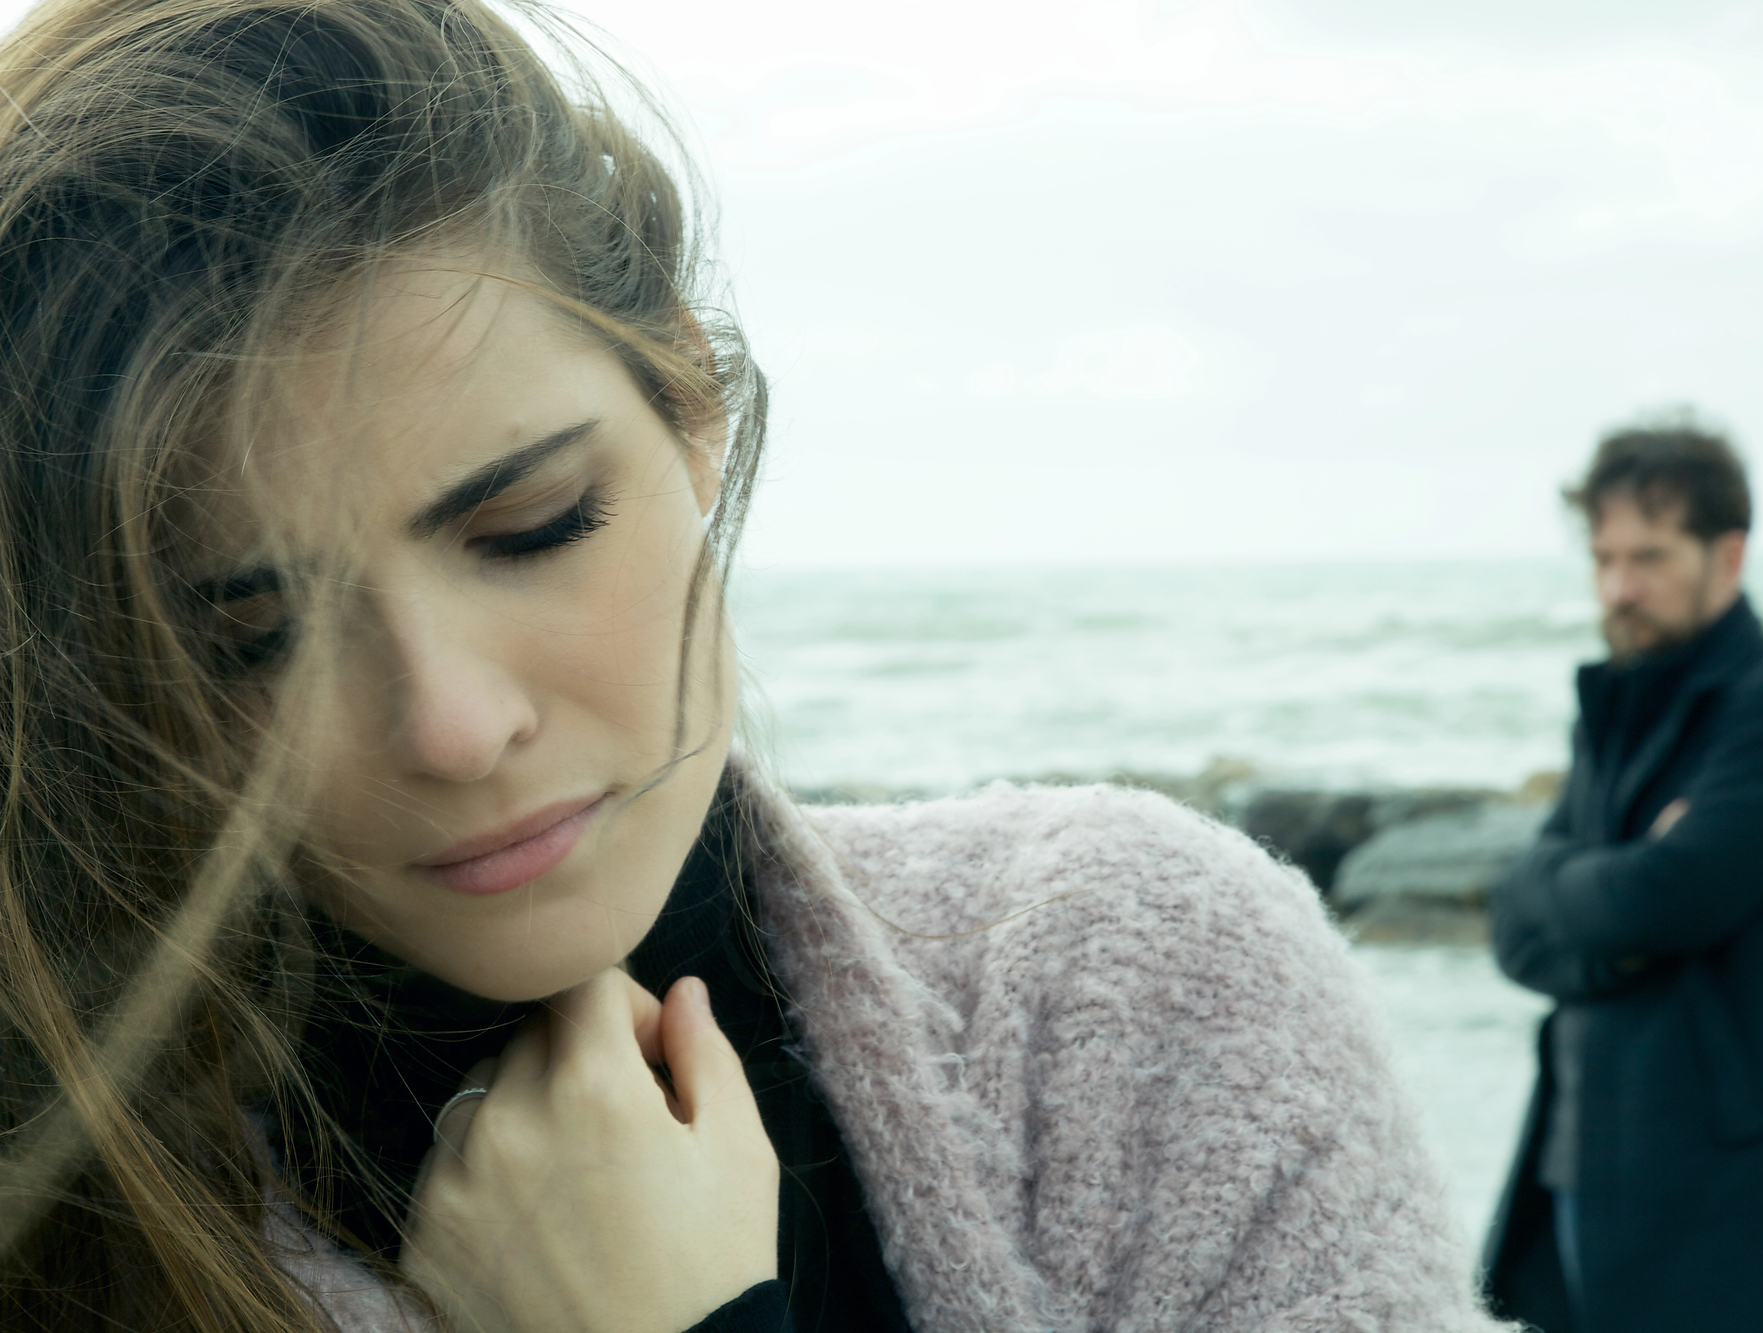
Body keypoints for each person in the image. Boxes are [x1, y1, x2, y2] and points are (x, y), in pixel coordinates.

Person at [0, 2, 1499, 1330]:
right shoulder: (62, 1224)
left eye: (529, 526)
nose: (454, 724)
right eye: (249, 637)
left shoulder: (1126, 993)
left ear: (690, 400)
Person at [1479, 419, 1763, 1333]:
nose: (1622, 588)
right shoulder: (1615, 715)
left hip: (1741, 1195)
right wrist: (1602, 903)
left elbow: (1657, 901)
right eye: (1605, 558)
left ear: (1727, 554)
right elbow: (1513, 924)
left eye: (1652, 556)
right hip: (1584, 1163)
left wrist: (1595, 899)